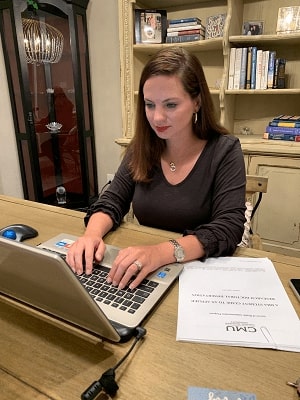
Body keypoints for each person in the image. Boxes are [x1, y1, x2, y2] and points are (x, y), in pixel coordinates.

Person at [66, 46, 246, 290]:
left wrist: (160, 253)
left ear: (197, 102)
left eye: (170, 105)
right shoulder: (141, 147)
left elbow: (228, 228)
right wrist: (91, 236)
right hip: (145, 274)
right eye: (150, 105)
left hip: (198, 275)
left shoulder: (224, 150)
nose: (157, 118)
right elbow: (112, 201)